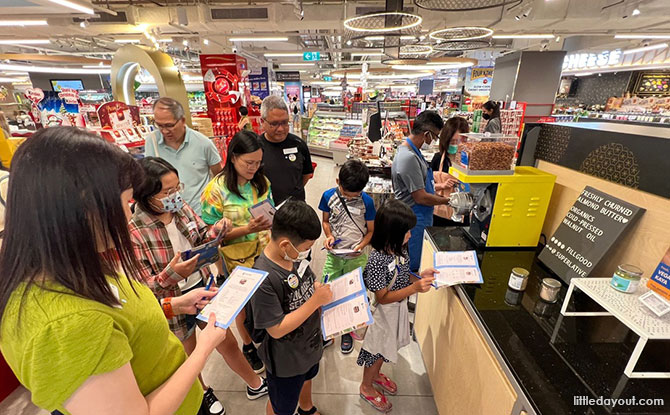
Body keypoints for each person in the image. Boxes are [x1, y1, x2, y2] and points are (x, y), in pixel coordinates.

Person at [0, 126, 228, 415]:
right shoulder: (66, 325)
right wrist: (203, 349)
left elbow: (122, 318)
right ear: (83, 207)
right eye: (124, 203)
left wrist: (174, 305)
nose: (129, 215)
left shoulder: (78, 265)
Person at [130, 157, 269, 415]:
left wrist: (217, 229)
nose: (175, 196)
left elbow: (201, 235)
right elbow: (143, 288)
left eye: (177, 188)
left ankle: (255, 382)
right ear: (145, 195)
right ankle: (202, 392)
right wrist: (172, 273)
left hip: (203, 286)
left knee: (225, 339)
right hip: (173, 302)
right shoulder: (135, 231)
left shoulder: (181, 209)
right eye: (167, 192)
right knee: (187, 355)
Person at [200, 130, 273, 373]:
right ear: (232, 158)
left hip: (266, 253)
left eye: (258, 162)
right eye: (248, 163)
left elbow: (270, 210)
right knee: (242, 304)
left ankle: (266, 334)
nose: (254, 168)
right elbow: (211, 236)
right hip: (237, 260)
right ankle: (248, 344)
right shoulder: (216, 190)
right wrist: (246, 229)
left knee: (264, 298)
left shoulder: (261, 183)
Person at [250, 200, 332, 415]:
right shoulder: (264, 277)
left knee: (308, 377)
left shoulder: (293, 258)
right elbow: (276, 329)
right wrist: (315, 301)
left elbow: (308, 279)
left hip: (308, 346)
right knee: (282, 406)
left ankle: (306, 407)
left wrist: (316, 289)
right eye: (306, 248)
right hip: (285, 361)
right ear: (286, 245)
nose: (307, 253)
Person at [357, 200, 436, 413]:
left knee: (385, 350)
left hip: (397, 310)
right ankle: (366, 385)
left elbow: (402, 275)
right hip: (383, 314)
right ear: (391, 233)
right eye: (406, 232)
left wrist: (418, 277)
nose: (410, 235)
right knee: (376, 350)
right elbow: (382, 297)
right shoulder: (377, 260)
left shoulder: (400, 249)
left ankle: (375, 375)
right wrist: (415, 289)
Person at [318, 159, 375, 354]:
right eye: (345, 194)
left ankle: (346, 331)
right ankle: (329, 327)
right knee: (329, 289)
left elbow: (370, 231)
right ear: (337, 182)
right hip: (334, 255)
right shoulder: (328, 196)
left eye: (355, 195)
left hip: (356, 256)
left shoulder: (367, 201)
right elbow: (325, 221)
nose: (350, 198)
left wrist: (361, 245)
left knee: (352, 293)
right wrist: (329, 236)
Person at [144, 97, 223, 215]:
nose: (164, 131)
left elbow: (219, 177)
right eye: (159, 125)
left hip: (200, 214)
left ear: (182, 120)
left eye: (169, 125)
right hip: (167, 214)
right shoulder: (152, 141)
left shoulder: (203, 143)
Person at [391, 110, 449, 271]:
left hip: (421, 217)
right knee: (412, 265)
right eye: (435, 136)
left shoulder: (413, 153)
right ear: (426, 134)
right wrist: (448, 201)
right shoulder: (408, 157)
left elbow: (422, 185)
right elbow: (421, 197)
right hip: (414, 220)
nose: (434, 141)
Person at [259, 95, 313, 205]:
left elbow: (306, 175)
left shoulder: (299, 144)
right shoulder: (255, 147)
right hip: (267, 211)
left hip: (296, 210)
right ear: (262, 122)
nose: (281, 129)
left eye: (284, 122)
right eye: (274, 124)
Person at [430, 117, 469, 227]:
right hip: (440, 214)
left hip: (462, 214)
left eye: (461, 141)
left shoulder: (470, 161)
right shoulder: (438, 159)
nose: (456, 145)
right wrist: (441, 185)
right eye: (452, 141)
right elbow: (427, 186)